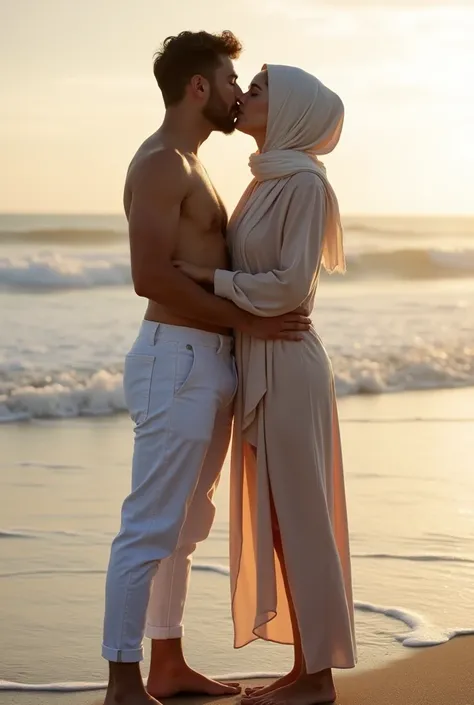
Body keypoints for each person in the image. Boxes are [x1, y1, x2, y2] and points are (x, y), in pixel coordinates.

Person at [101, 34, 312, 705]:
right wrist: (249, 321)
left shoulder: (195, 164)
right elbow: (148, 275)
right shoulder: (164, 163)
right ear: (198, 87)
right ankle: (121, 681)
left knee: (186, 526)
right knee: (149, 525)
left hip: (205, 361)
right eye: (228, 80)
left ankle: (168, 663)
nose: (236, 91)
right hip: (176, 358)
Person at [175, 65, 357, 705]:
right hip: (265, 359)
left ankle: (317, 679)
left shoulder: (303, 183)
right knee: (284, 519)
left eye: (260, 87)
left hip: (289, 364)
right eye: (247, 83)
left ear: (295, 110)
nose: (247, 94)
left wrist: (208, 278)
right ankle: (305, 669)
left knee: (299, 519)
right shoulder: (268, 178)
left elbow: (287, 287)